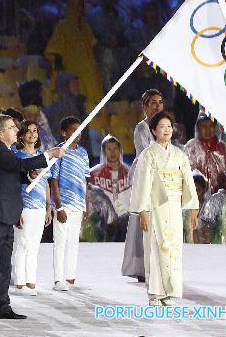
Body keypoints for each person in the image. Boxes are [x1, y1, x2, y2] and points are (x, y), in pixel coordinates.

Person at [0, 115, 62, 321]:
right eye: (12, 128)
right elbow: (17, 165)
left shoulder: (5, 152)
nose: (16, 130)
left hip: (6, 215)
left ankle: (1, 306)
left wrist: (28, 176)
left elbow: (12, 173)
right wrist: (48, 154)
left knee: (3, 265)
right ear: (0, 133)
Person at [129, 110, 199, 306]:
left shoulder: (179, 154)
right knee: (154, 247)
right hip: (155, 206)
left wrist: (193, 207)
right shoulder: (148, 155)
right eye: (162, 127)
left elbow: (188, 181)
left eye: (169, 126)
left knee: (173, 249)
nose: (167, 130)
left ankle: (169, 292)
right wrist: (142, 210)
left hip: (174, 206)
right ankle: (155, 294)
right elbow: (142, 183)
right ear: (153, 130)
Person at [123, 88, 164, 281]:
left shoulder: (166, 125)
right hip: (145, 178)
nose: (157, 106)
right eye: (153, 102)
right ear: (145, 107)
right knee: (144, 222)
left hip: (163, 179)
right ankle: (142, 266)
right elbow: (147, 152)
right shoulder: (142, 128)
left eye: (160, 102)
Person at [49, 116, 90, 292]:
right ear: (64, 133)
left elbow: (85, 180)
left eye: (79, 129)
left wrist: (86, 205)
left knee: (73, 241)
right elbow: (53, 181)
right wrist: (58, 206)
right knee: (60, 241)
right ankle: (58, 279)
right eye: (73, 130)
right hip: (64, 204)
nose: (77, 133)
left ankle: (70, 276)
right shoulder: (59, 152)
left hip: (78, 203)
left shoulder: (83, 153)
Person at [11, 120, 51, 296]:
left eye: (35, 131)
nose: (32, 134)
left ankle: (31, 282)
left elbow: (46, 182)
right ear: (21, 135)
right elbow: (13, 183)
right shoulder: (17, 156)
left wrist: (49, 207)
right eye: (28, 131)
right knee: (22, 243)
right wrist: (17, 209)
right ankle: (20, 283)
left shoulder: (43, 156)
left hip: (40, 206)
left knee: (34, 245)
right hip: (24, 206)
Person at [89, 135, 131, 240]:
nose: (113, 152)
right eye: (109, 149)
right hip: (101, 224)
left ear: (120, 150)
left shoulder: (130, 173)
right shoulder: (93, 174)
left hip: (125, 223)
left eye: (115, 148)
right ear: (104, 151)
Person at [184, 114, 226, 194]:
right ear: (198, 128)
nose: (208, 130)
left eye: (211, 126)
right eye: (204, 126)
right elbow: (184, 171)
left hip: (221, 195)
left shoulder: (225, 148)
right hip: (197, 194)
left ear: (215, 127)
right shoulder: (191, 147)